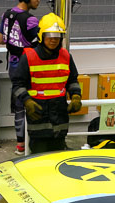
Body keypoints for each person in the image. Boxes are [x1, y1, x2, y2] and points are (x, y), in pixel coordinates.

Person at [10, 13, 82, 154]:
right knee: (39, 154)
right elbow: (18, 84)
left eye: (57, 36)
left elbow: (72, 80)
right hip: (38, 113)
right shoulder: (29, 57)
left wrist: (76, 96)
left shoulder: (66, 56)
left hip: (60, 112)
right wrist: (27, 101)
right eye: (49, 35)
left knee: (59, 153)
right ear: (42, 36)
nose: (53, 40)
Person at [0, 0, 41, 155]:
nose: (38, 1)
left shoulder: (6, 14)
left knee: (18, 105)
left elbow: (2, 39)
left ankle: (20, 145)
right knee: (31, 102)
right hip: (27, 66)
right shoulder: (31, 20)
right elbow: (41, 44)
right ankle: (33, 142)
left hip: (13, 63)